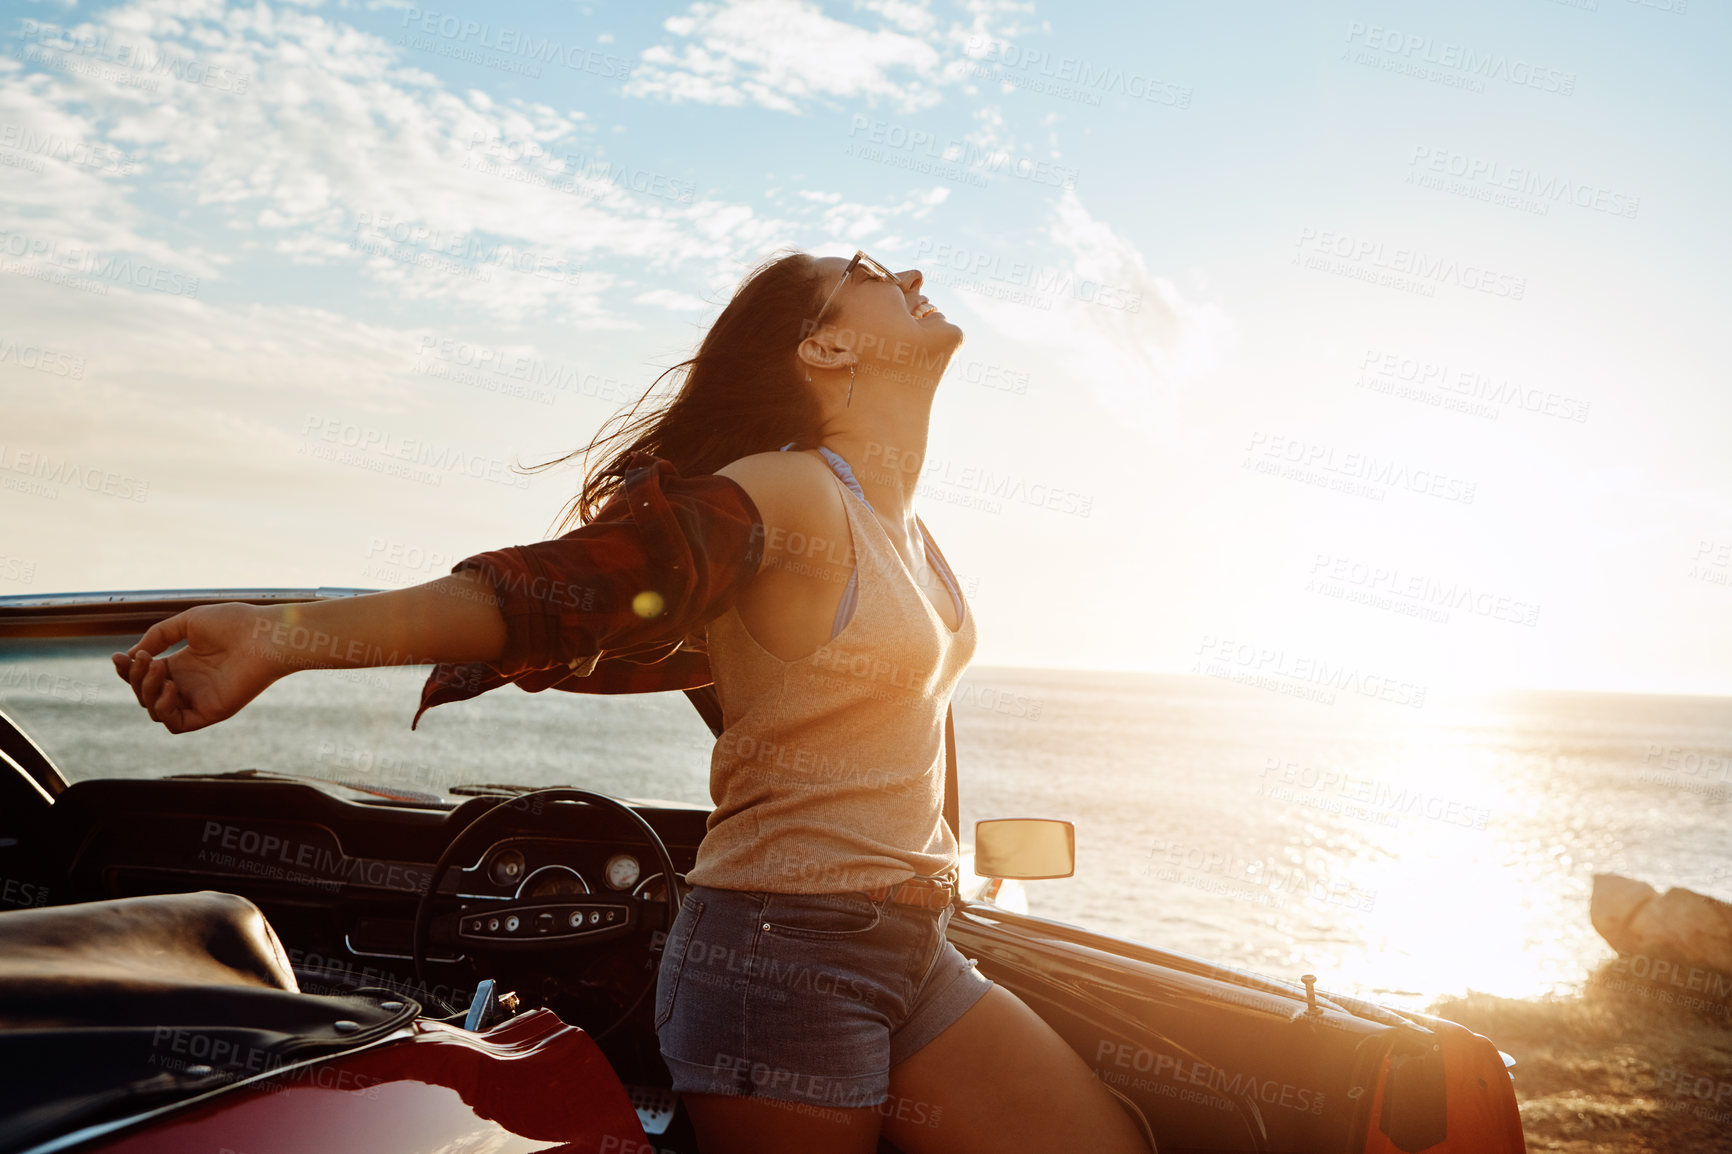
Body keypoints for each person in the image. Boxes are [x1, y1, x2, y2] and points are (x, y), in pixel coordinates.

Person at [111, 249, 1153, 1154]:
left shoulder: (908, 532)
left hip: (913, 939)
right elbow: (569, 591)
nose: (911, 277)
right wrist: (277, 635)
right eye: (870, 276)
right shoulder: (788, 491)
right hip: (783, 957)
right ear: (825, 350)